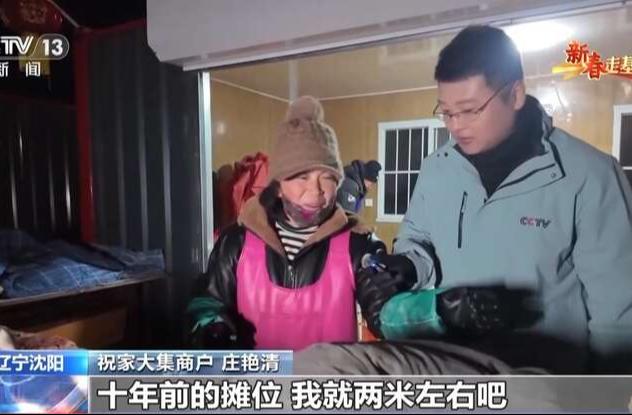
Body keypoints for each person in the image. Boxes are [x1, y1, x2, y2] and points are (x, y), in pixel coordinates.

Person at [379, 25, 632, 374]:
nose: (455, 126)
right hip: (457, 378)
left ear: (515, 95)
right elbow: (417, 240)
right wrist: (408, 266)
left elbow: (618, 318)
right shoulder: (437, 169)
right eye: (446, 112)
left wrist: (602, 394)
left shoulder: (590, 175)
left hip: (545, 386)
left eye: (470, 110)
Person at [187, 96, 415, 350]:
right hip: (259, 376)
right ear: (278, 186)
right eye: (302, 177)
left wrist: (433, 309)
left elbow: (388, 316)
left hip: (328, 377)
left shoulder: (359, 245)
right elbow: (208, 301)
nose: (316, 191)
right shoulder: (236, 242)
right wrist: (211, 325)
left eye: (327, 177)